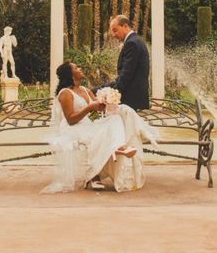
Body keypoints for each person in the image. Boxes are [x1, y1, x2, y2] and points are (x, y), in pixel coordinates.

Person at [42, 62, 158, 193]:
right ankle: (96, 173)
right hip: (73, 128)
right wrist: (90, 107)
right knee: (97, 136)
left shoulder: (85, 90)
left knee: (115, 118)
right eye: (76, 68)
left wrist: (107, 101)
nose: (80, 68)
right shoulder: (65, 93)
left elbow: (99, 108)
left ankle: (118, 147)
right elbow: (70, 119)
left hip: (87, 125)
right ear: (69, 74)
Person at [99, 15, 150, 110]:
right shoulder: (136, 41)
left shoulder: (132, 43)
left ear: (125, 26)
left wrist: (111, 94)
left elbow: (126, 75)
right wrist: (104, 88)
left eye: (115, 30)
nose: (113, 35)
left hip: (131, 98)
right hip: (134, 96)